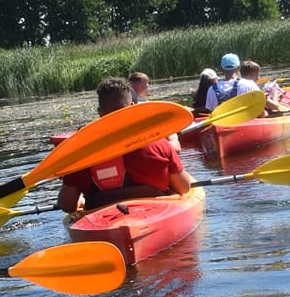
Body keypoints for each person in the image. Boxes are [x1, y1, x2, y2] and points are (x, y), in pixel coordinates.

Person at [57, 78, 192, 214]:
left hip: (103, 220)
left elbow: (67, 205)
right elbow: (184, 188)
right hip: (156, 215)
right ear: (133, 106)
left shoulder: (81, 153)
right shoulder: (157, 142)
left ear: (100, 112)